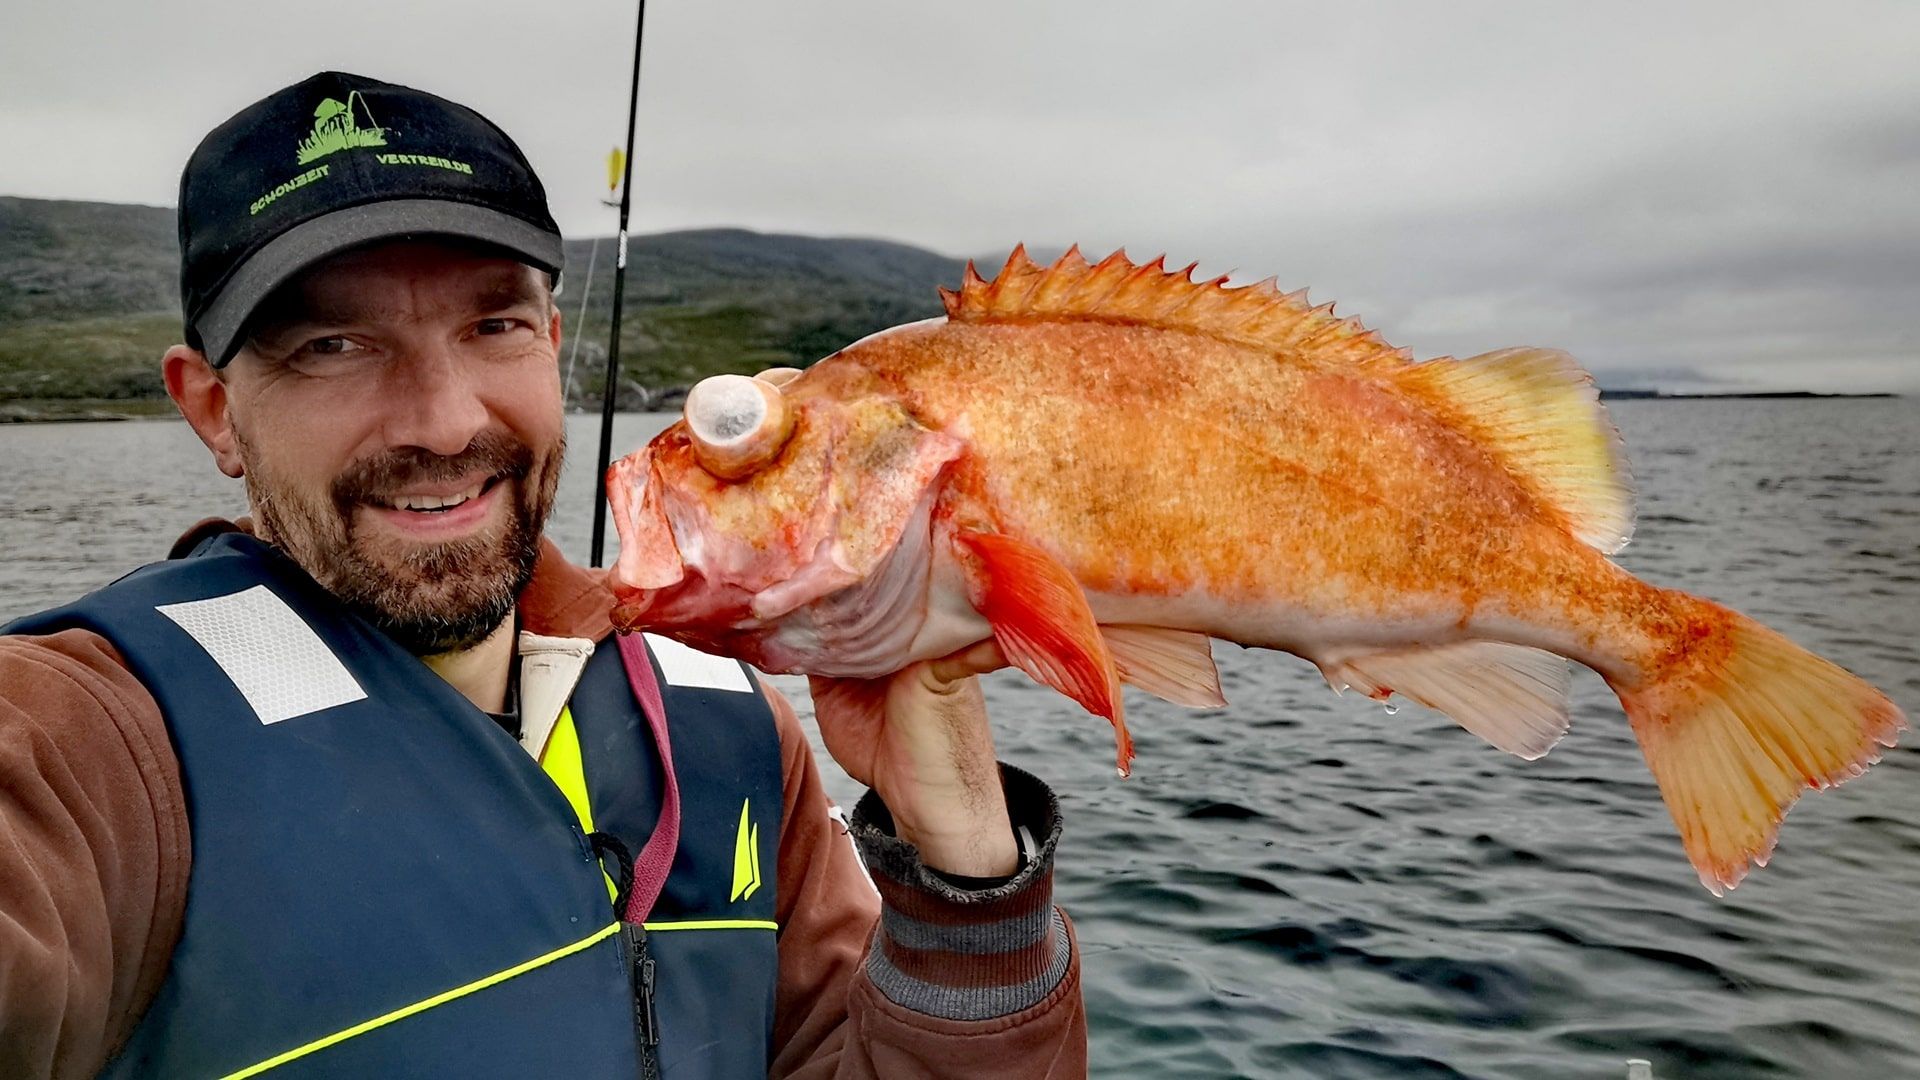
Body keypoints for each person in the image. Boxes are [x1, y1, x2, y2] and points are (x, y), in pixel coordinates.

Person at [0, 72, 1086, 1078]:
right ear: (211, 410)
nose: (445, 420)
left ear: (552, 340)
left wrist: (970, 887)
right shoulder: (98, 744)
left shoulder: (735, 731)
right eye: (331, 344)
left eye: (494, 323)